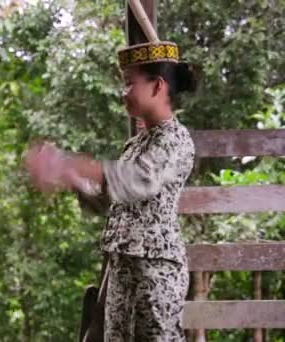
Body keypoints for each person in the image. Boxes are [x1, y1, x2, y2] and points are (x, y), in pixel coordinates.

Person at [26, 41, 197, 341]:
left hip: (156, 271)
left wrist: (76, 164)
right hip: (122, 269)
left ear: (157, 86)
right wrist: (68, 176)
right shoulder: (135, 145)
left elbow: (138, 180)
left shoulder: (176, 139)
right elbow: (109, 199)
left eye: (130, 83)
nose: (124, 93)